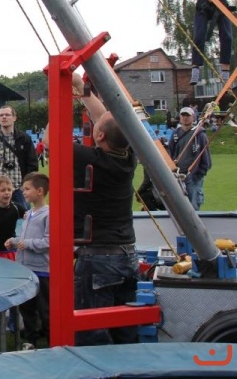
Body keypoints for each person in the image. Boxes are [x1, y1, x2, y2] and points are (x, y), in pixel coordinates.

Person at [52, 72, 139, 346]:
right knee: (124, 329)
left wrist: (61, 96)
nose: (96, 119)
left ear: (99, 135)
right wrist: (81, 86)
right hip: (127, 254)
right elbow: (106, 120)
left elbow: (51, 141)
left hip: (99, 258)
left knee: (92, 333)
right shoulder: (128, 157)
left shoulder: (88, 158)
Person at [5, 173, 50, 348]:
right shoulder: (29, 213)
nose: (23, 192)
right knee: (27, 308)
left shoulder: (48, 214)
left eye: (27, 189)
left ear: (40, 191)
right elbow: (24, 238)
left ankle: (52, 340)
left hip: (42, 271)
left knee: (45, 309)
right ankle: (31, 340)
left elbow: (49, 242)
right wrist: (14, 241)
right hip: (25, 270)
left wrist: (26, 244)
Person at [0, 106, 37, 208]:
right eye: (1, 115)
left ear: (14, 117)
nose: (4, 117)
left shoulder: (24, 139)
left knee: (22, 217)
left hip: (19, 190)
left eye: (7, 115)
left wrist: (26, 185)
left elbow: (32, 164)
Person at [168, 106, 212, 211]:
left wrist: (199, 173)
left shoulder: (200, 135)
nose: (185, 117)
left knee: (194, 206)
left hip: (194, 176)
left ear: (193, 117)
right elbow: (171, 153)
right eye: (183, 115)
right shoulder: (175, 134)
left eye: (187, 115)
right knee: (178, 207)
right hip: (178, 176)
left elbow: (206, 157)